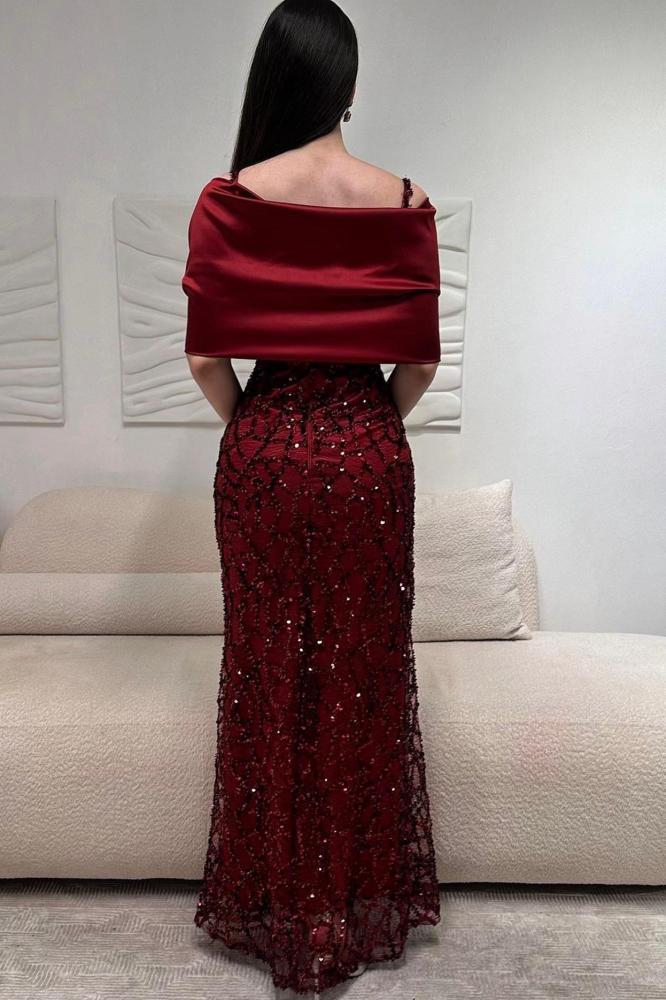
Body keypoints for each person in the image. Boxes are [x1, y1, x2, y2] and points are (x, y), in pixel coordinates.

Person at [181, 1, 441, 994]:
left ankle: (277, 899)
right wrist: (367, 424)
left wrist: (260, 421)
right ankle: (351, 897)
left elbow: (206, 359)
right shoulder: (403, 201)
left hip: (264, 452)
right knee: (362, 668)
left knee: (268, 666)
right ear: (348, 88)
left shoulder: (230, 200)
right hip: (368, 453)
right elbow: (419, 364)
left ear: (273, 83)